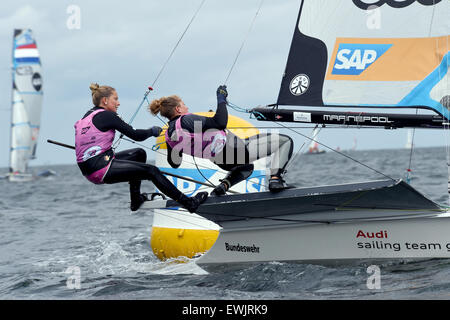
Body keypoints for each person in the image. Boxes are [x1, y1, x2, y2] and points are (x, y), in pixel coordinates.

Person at [74, 83, 208, 211]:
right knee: (152, 171)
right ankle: (189, 203)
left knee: (138, 154)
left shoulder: (86, 117)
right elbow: (135, 135)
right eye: (115, 99)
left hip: (90, 167)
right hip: (100, 168)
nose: (118, 103)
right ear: (105, 100)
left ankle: (136, 200)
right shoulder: (107, 115)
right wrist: (152, 131)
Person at [148, 85, 294, 195]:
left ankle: (224, 185)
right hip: (235, 150)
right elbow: (220, 123)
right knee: (285, 141)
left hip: (221, 162)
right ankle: (275, 180)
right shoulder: (186, 120)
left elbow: (175, 163)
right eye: (184, 104)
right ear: (178, 109)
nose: (187, 107)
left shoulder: (169, 135)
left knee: (247, 168)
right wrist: (221, 99)